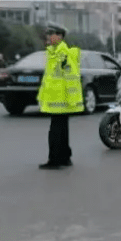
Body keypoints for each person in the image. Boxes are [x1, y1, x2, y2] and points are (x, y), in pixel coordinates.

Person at [36, 23, 84, 170]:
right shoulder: (53, 52)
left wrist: (71, 99)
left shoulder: (63, 54)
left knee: (56, 131)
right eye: (48, 35)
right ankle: (65, 157)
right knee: (62, 129)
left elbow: (71, 77)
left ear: (60, 36)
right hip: (56, 98)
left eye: (51, 34)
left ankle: (55, 160)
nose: (48, 37)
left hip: (61, 100)